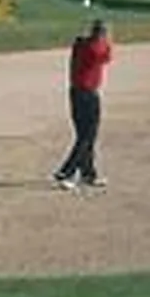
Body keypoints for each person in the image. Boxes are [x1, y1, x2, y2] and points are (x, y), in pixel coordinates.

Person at [53, 19, 112, 188]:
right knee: (87, 136)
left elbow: (82, 42)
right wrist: (108, 41)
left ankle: (88, 174)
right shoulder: (96, 48)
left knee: (86, 136)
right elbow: (107, 56)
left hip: (75, 94)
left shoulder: (80, 45)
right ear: (101, 34)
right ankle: (66, 172)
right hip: (88, 96)